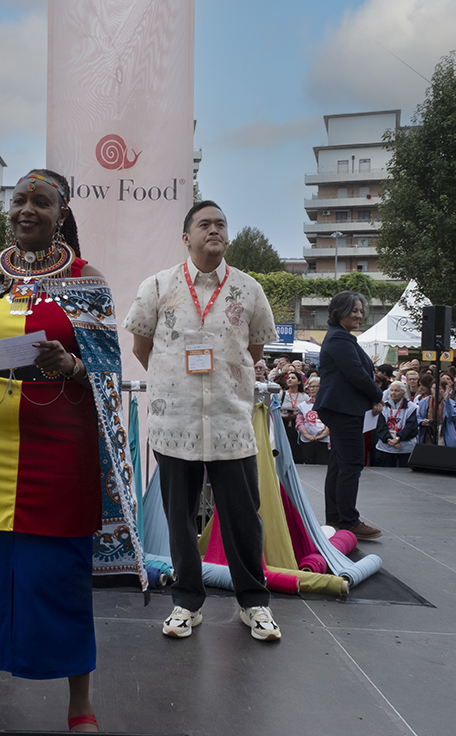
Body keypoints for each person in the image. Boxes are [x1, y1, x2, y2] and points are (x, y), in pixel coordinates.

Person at [0, 169, 143, 735]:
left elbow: (106, 370)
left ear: (61, 212)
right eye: (20, 200)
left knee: (59, 574)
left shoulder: (87, 280)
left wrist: (71, 365)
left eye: (41, 202)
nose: (27, 210)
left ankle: (80, 707)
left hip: (59, 448)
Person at [124, 199, 280, 642]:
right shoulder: (158, 286)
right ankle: (185, 603)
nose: (215, 230)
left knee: (243, 517)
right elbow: (141, 345)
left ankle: (255, 604)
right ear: (186, 236)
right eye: (205, 224)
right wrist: (176, 379)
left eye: (221, 224)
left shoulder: (248, 289)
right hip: (176, 421)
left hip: (231, 421)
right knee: (180, 516)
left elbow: (254, 351)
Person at [314, 291, 385, 540]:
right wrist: (377, 395)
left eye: (360, 310)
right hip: (343, 409)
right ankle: (349, 520)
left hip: (342, 408)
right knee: (352, 463)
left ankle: (335, 517)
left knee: (339, 463)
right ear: (339, 311)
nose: (359, 314)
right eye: (353, 310)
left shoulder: (341, 338)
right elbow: (356, 373)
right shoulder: (339, 340)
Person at [374, 381, 419, 467]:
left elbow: (411, 427)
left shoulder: (412, 408)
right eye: (391, 390)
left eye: (396, 391)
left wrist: (398, 438)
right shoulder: (384, 407)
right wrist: (389, 439)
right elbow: (380, 426)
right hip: (386, 446)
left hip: (405, 446)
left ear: (403, 393)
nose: (393, 393)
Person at [295, 376, 330, 465]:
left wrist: (321, 435)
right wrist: (308, 435)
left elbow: (330, 422)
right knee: (309, 463)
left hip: (324, 439)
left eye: (316, 386)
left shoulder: (327, 403)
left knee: (323, 463)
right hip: (307, 439)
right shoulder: (303, 405)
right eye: (311, 386)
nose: (313, 389)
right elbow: (299, 422)